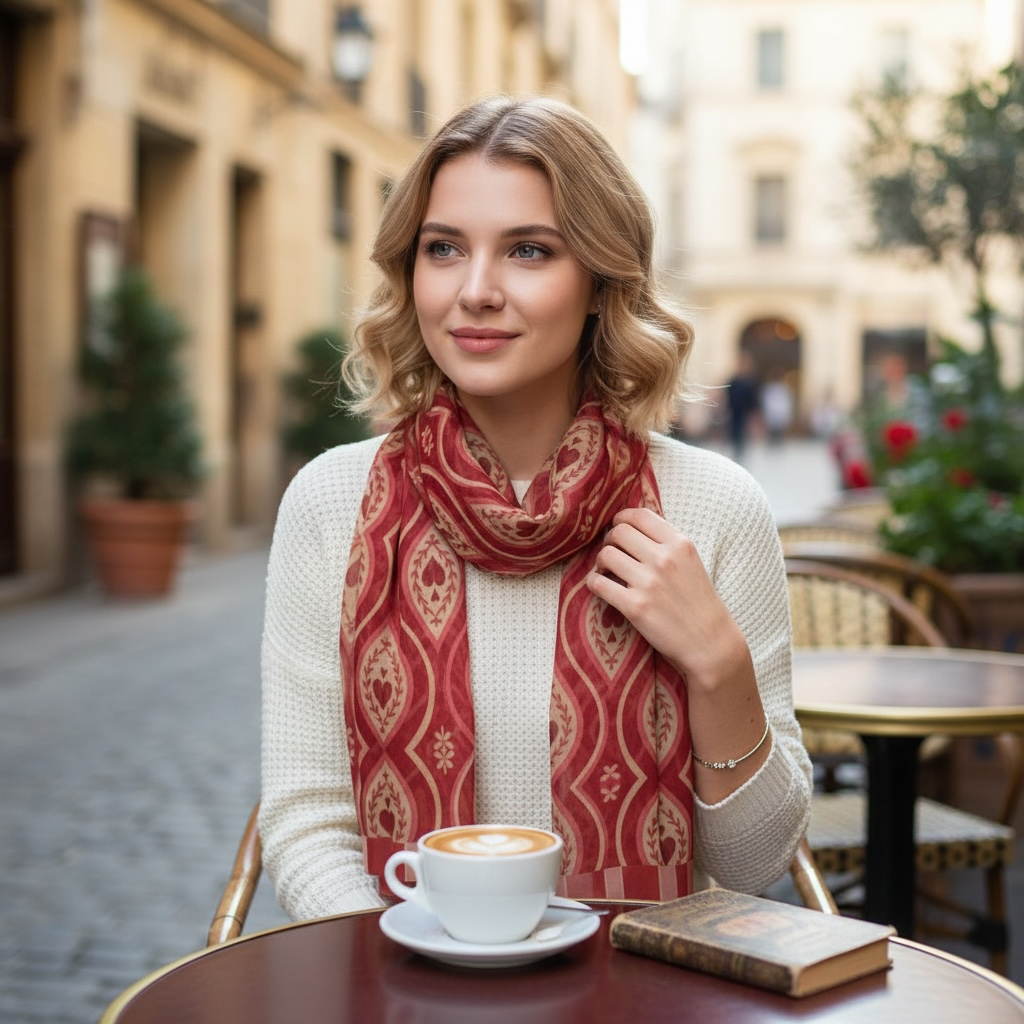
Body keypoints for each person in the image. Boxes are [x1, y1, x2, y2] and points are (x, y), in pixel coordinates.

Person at [259, 96, 812, 920]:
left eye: (528, 250)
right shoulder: (330, 501)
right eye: (443, 249)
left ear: (599, 281)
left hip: (640, 990)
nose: (475, 291)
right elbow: (308, 825)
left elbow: (751, 863)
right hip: (404, 987)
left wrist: (719, 667)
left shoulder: (714, 507)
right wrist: (411, 971)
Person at [725, 352, 760, 459]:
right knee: (734, 434)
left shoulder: (751, 382)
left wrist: (755, 414)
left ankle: (741, 454)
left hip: (746, 414)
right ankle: (737, 453)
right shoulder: (733, 381)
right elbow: (727, 397)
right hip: (734, 413)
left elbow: (754, 400)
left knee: (743, 435)